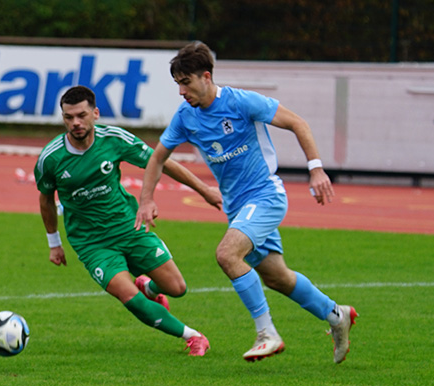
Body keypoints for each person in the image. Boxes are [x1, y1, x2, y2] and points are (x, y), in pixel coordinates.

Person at [135, 42, 358, 364]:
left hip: (265, 195)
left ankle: (267, 333)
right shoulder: (186, 117)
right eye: (177, 84)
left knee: (227, 254)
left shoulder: (241, 102)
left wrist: (316, 168)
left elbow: (298, 123)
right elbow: (157, 158)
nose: (181, 91)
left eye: (186, 82)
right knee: (277, 277)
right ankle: (337, 315)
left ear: (206, 76)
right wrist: (146, 200)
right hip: (239, 208)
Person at [34, 85, 222, 356]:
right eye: (68, 117)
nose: (75, 122)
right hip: (91, 242)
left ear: (95, 113)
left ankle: (148, 285)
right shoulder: (51, 159)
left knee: (177, 288)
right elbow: (45, 199)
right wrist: (54, 243)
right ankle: (193, 336)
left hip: (129, 226)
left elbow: (161, 161)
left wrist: (204, 190)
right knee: (127, 295)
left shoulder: (114, 139)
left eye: (81, 115)